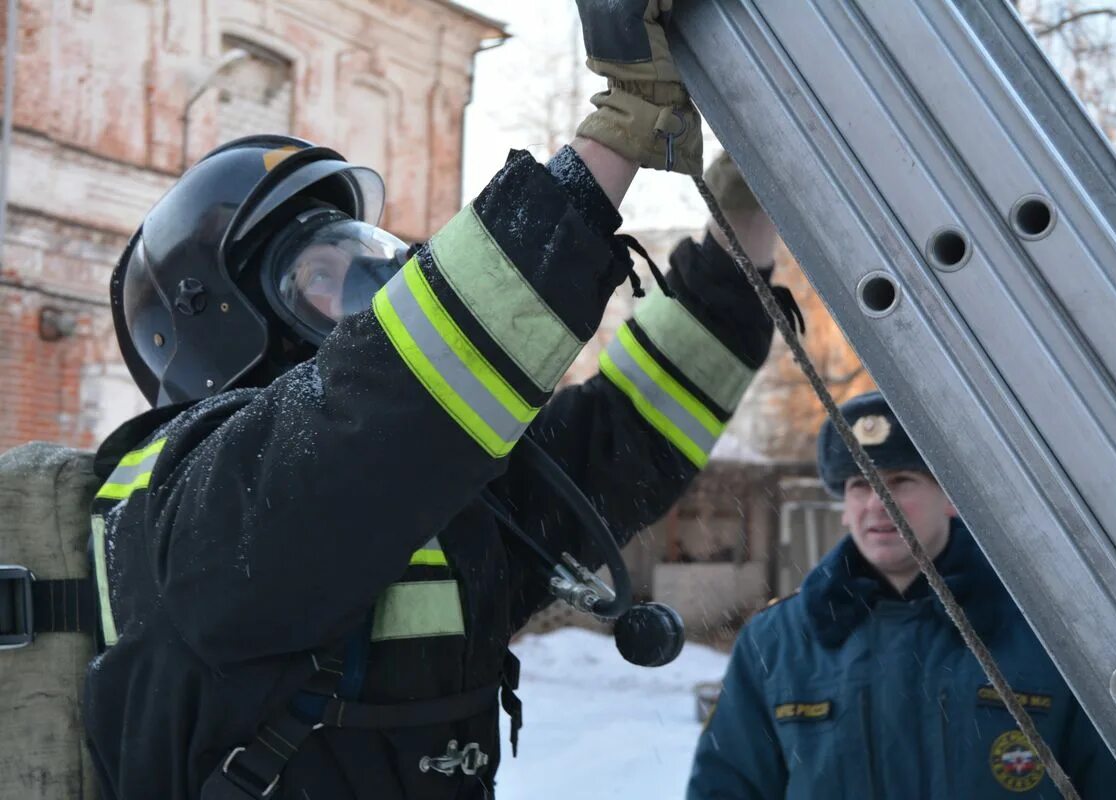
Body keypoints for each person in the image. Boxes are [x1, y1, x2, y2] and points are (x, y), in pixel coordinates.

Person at [80, 2, 798, 798]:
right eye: (323, 273)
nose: (373, 284)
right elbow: (386, 407)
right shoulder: (194, 502)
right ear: (224, 324)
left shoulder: (437, 502)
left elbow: (630, 428)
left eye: (364, 254)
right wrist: (624, 125)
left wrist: (748, 216)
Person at [686, 391, 1116, 799]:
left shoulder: (1047, 636)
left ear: (951, 497)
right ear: (845, 507)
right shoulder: (776, 643)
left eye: (901, 481)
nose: (877, 503)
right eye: (861, 485)